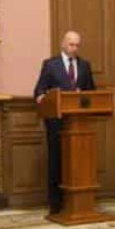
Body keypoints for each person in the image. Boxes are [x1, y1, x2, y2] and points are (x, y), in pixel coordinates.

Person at [33, 31, 96, 214]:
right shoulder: (50, 64)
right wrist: (42, 97)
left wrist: (83, 94)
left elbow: (92, 91)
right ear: (63, 44)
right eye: (71, 44)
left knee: (79, 162)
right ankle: (55, 203)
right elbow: (39, 91)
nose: (74, 48)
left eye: (77, 45)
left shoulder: (84, 65)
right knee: (57, 161)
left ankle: (78, 202)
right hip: (56, 123)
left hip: (78, 124)